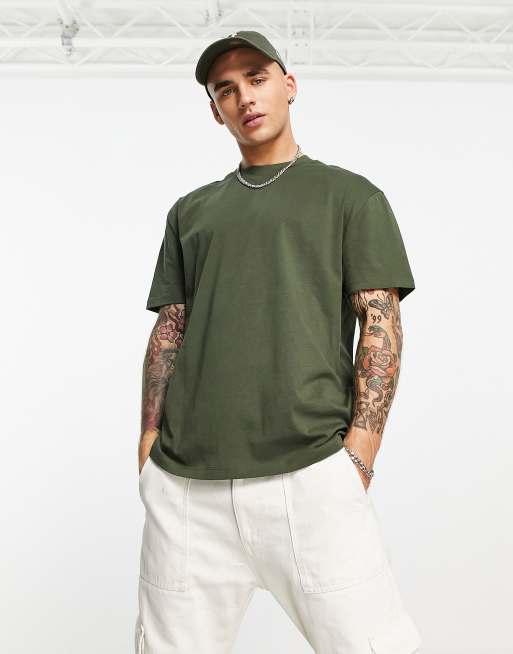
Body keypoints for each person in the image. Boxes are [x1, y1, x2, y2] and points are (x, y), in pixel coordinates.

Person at [134, 30, 422, 654]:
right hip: (187, 488)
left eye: (257, 79)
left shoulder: (350, 197)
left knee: (376, 644)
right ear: (215, 111)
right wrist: (149, 443)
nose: (245, 98)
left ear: (289, 86)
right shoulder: (190, 211)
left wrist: (360, 453)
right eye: (226, 90)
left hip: (309, 476)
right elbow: (171, 328)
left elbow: (380, 322)